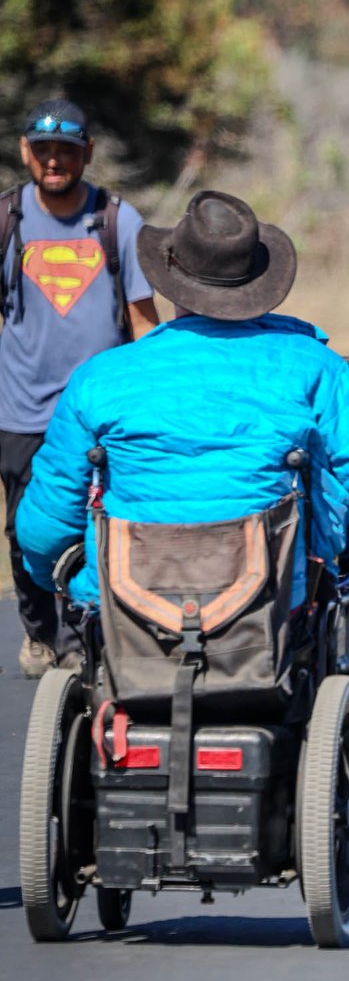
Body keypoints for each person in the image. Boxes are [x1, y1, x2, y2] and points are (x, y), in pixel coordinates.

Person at [15, 190, 349, 668]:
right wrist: (339, 530)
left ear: (172, 284)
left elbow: (43, 529)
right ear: (258, 285)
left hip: (126, 605)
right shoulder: (314, 367)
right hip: (274, 607)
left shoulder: (99, 378)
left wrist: (62, 576)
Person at [1, 100, 161, 678]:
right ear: (26, 151)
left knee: (98, 523)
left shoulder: (117, 220)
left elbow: (143, 320)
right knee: (27, 529)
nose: (54, 161)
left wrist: (154, 394)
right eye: (43, 150)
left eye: (66, 150)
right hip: (21, 410)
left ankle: (80, 637)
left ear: (87, 153)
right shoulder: (7, 219)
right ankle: (41, 635)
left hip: (100, 413)